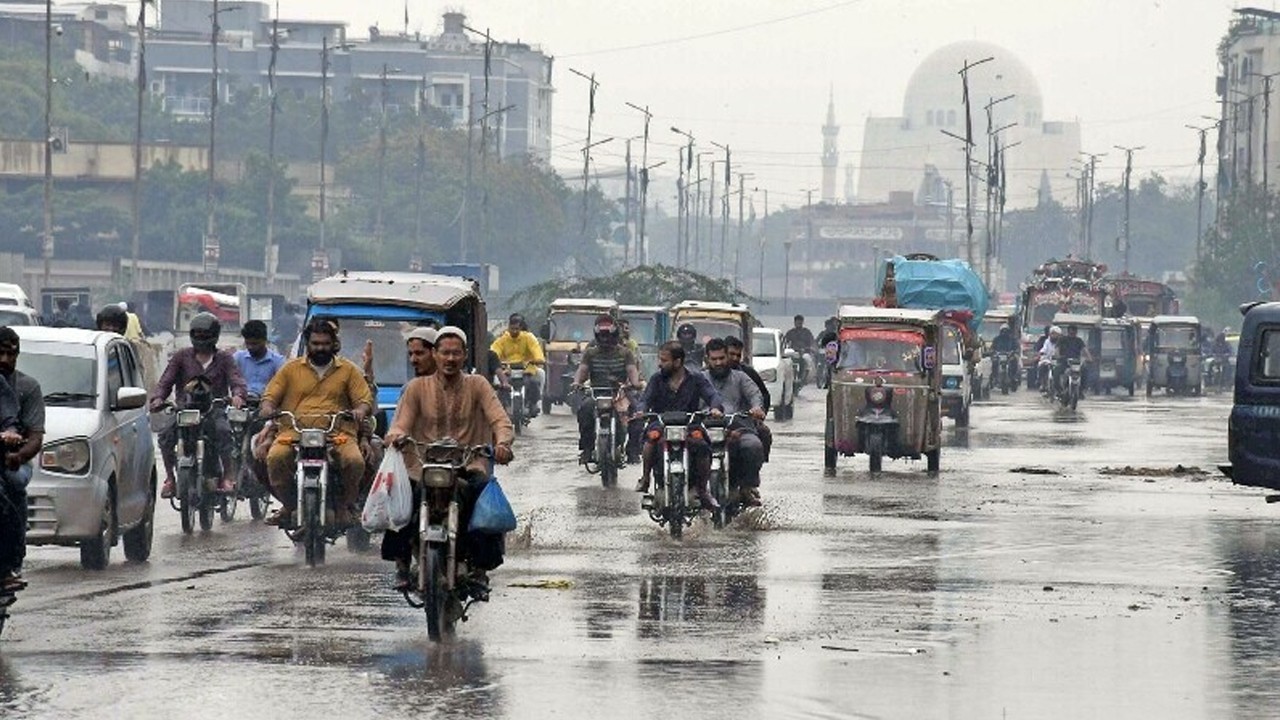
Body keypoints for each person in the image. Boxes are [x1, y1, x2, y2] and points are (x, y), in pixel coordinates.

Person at [384, 326, 514, 592]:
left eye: (456, 353)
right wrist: (396, 436)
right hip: (422, 466)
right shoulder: (416, 388)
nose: (450, 359)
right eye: (445, 353)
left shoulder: (478, 385)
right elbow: (401, 424)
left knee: (483, 502)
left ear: (465, 356)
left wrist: (502, 443)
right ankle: (401, 564)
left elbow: (500, 420)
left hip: (469, 464)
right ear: (436, 354)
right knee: (400, 498)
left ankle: (479, 570)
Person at [259, 319, 373, 528]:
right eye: (316, 343)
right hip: (293, 432)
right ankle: (289, 505)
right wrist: (268, 408)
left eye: (325, 344)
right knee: (275, 458)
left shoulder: (348, 370)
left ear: (334, 344)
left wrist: (359, 411)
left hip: (338, 433)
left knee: (355, 461)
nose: (320, 348)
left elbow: (364, 400)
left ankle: (345, 506)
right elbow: (270, 396)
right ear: (307, 344)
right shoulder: (290, 369)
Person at [150, 312, 247, 499]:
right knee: (165, 435)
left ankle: (228, 476)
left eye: (205, 335)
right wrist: (158, 399)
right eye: (198, 335)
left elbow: (236, 380)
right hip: (185, 410)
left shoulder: (225, 358)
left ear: (214, 336)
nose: (201, 339)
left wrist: (237, 396)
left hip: (214, 410)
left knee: (224, 432)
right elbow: (165, 381)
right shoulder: (181, 357)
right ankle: (170, 478)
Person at [633, 341, 724, 507]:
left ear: (678, 361)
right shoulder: (656, 379)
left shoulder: (696, 379)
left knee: (703, 446)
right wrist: (641, 410)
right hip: (661, 424)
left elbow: (713, 396)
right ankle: (646, 478)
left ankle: (702, 490)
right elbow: (645, 400)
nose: (660, 364)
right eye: (660, 360)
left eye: (664, 360)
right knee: (650, 442)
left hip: (690, 425)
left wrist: (715, 408)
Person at [0, 327, 44, 592]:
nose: (4, 360)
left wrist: (16, 449)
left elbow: (24, 431)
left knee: (12, 485)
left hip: (9, 459)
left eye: (10, 354)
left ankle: (9, 563)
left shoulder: (24, 388)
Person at [571, 315, 643, 465]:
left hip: (620, 393)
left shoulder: (625, 353)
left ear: (615, 334)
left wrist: (635, 383)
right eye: (602, 335)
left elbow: (632, 370)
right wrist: (577, 382)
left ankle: (633, 451)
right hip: (597, 392)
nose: (605, 339)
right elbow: (582, 370)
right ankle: (587, 449)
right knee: (584, 409)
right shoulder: (590, 353)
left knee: (637, 414)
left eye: (608, 335)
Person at [704, 339, 766, 506]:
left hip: (740, 427)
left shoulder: (741, 377)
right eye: (714, 359)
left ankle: (747, 487)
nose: (718, 363)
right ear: (707, 360)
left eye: (722, 358)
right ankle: (692, 488)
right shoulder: (700, 379)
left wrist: (756, 408)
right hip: (706, 431)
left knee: (754, 446)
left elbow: (755, 394)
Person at [724, 335, 773, 461]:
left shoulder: (747, 374)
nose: (734, 358)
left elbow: (762, 395)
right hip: (716, 424)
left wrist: (759, 413)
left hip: (743, 421)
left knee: (762, 435)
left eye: (738, 355)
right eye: (731, 354)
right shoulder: (705, 375)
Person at [490, 313, 546, 417]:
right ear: (508, 327)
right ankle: (503, 406)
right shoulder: (502, 339)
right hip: (508, 370)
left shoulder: (529, 338)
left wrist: (538, 359)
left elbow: (536, 351)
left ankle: (534, 403)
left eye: (517, 329)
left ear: (521, 328)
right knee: (500, 385)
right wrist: (494, 360)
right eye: (512, 329)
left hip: (527, 370)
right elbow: (494, 352)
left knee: (537, 378)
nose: (514, 331)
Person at [234, 320, 286, 397]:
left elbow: (281, 387)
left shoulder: (278, 362)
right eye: (247, 343)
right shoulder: (238, 358)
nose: (250, 347)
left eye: (255, 344)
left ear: (265, 340)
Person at [1055, 325, 1093, 393]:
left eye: (1074, 332)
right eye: (1071, 332)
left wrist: (1089, 358)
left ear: (1076, 332)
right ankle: (1059, 390)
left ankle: (1081, 390)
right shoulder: (1062, 339)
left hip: (1076, 362)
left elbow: (1085, 350)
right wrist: (1058, 356)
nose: (1072, 334)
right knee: (1056, 372)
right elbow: (1057, 348)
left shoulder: (1079, 340)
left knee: (1085, 371)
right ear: (1068, 332)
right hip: (1064, 361)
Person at [1037, 325, 1062, 392]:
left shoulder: (1061, 342)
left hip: (1058, 361)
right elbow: (1044, 349)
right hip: (1047, 359)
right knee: (1042, 366)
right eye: (1053, 334)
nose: (1054, 336)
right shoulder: (1047, 341)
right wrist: (1042, 352)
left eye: (1056, 334)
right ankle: (1042, 383)